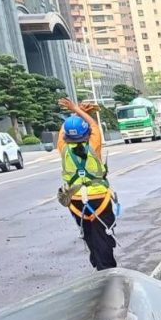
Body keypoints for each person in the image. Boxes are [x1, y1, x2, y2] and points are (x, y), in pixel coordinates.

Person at [56, 98, 117, 270]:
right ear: (86, 132)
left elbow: (63, 131)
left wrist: (74, 113)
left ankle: (98, 263)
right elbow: (94, 125)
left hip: (76, 201)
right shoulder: (94, 144)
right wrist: (79, 110)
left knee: (88, 233)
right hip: (99, 198)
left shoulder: (63, 147)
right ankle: (107, 268)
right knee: (103, 233)